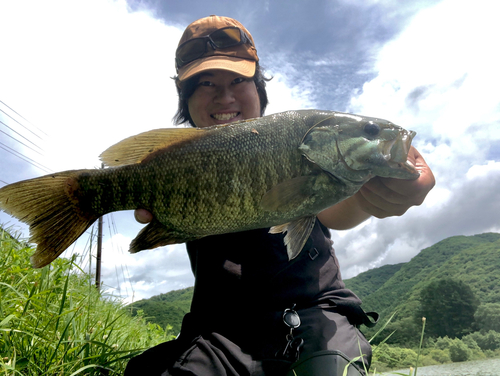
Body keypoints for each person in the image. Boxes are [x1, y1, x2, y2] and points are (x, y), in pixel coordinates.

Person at [125, 15, 435, 376]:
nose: (224, 96)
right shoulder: (176, 161)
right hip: (217, 331)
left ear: (259, 90)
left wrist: (374, 197)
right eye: (205, 83)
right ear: (186, 100)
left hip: (316, 316)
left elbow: (339, 211)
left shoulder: (297, 150)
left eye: (239, 80)